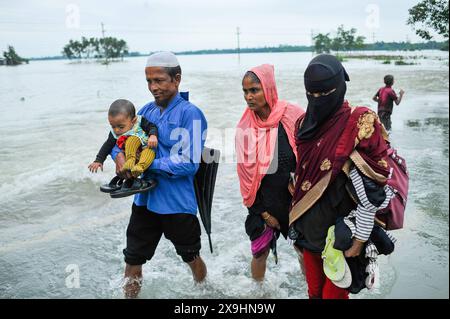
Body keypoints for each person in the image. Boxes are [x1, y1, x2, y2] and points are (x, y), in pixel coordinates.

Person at [289, 54, 394, 299]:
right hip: (307, 230)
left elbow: (372, 194)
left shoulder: (360, 124)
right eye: (311, 94)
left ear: (341, 86)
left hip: (340, 236)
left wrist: (358, 241)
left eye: (324, 94)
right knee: (313, 293)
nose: (317, 101)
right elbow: (303, 177)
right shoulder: (303, 124)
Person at [111, 51, 208, 298]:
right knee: (132, 259)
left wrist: (143, 166)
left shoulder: (191, 114)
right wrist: (119, 157)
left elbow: (189, 164)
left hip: (177, 203)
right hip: (144, 201)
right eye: (149, 82)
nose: (153, 87)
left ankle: (204, 293)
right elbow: (117, 139)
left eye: (159, 81)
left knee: (191, 257)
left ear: (177, 79)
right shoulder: (145, 111)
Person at [235, 64, 304, 282]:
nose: (249, 96)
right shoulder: (244, 128)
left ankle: (311, 291)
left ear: (269, 88)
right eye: (245, 91)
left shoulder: (293, 116)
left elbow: (311, 156)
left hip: (296, 201)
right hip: (264, 203)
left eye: (254, 90)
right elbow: (246, 180)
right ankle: (259, 294)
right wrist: (264, 214)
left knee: (305, 252)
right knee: (259, 252)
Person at [88, 99, 158, 197]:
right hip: (128, 156)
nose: (116, 130)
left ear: (133, 121)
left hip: (142, 149)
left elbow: (152, 127)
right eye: (113, 126)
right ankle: (128, 176)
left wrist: (153, 135)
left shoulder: (139, 122)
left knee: (141, 147)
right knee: (124, 146)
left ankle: (139, 169)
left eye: (121, 127)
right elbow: (107, 145)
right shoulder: (115, 132)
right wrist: (98, 160)